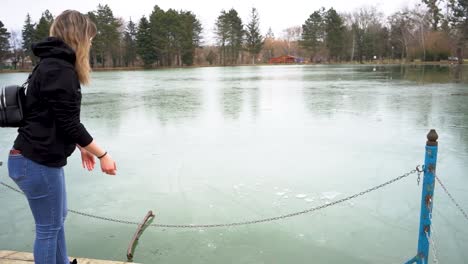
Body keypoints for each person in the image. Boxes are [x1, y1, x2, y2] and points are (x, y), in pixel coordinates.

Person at [7, 10, 117, 264]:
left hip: (33, 158)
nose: (90, 43)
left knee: (56, 220)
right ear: (78, 37)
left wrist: (82, 146)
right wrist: (103, 154)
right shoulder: (60, 69)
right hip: (36, 161)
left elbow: (55, 117)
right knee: (48, 228)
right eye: (89, 37)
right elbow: (69, 121)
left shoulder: (52, 64)